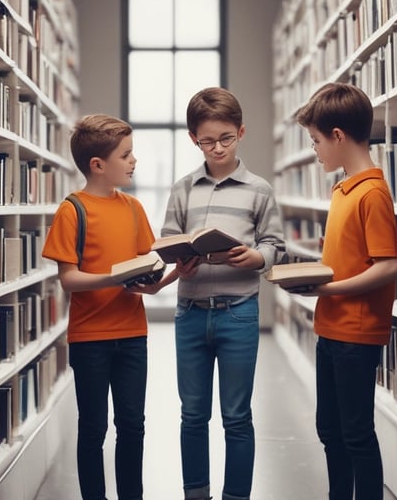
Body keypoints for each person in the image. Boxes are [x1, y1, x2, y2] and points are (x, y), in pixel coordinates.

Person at [160, 86, 286, 500]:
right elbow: (168, 240)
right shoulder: (182, 189)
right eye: (207, 140)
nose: (216, 148)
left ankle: (236, 496)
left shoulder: (259, 190)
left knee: (236, 416)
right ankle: (195, 493)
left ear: (241, 132)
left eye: (225, 139)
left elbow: (274, 245)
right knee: (193, 415)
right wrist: (182, 261)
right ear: (194, 138)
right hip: (190, 313)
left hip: (239, 314)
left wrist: (254, 258)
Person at [42, 114, 166, 500]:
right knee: (93, 428)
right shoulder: (72, 210)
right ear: (98, 165)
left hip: (132, 336)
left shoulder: (133, 208)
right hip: (90, 339)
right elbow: (69, 279)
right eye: (126, 155)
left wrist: (177, 272)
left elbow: (146, 280)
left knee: (133, 425)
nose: (133, 161)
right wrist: (113, 277)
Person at [294, 82, 397, 500]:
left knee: (356, 433)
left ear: (337, 136)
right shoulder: (342, 190)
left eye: (317, 141)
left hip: (356, 332)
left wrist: (330, 287)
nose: (315, 150)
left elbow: (388, 266)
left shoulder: (372, 193)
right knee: (330, 429)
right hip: (331, 328)